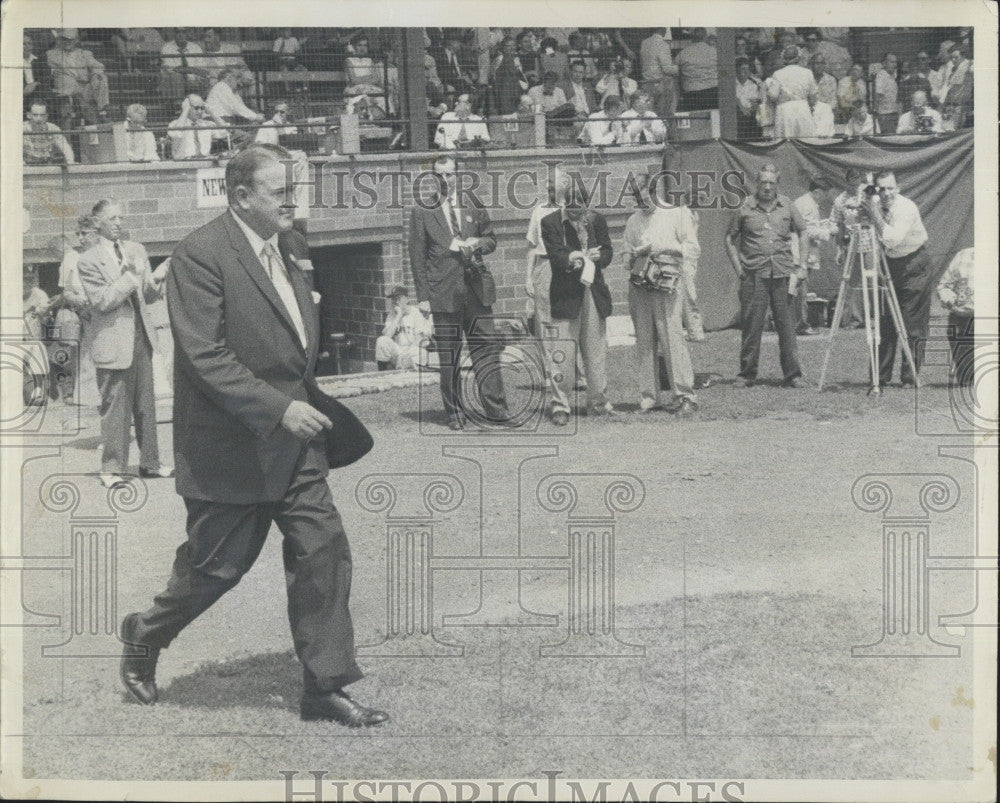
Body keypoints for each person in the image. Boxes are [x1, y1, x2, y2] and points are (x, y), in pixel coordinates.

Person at [117, 143, 386, 728]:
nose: (293, 200)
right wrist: (277, 408)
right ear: (241, 196)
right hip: (231, 447)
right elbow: (204, 355)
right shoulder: (200, 254)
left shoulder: (289, 246)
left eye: (295, 189)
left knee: (323, 552)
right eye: (279, 191)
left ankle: (325, 686)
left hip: (297, 447)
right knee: (216, 570)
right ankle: (144, 634)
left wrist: (296, 408)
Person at [407, 155, 514, 430]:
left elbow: (492, 239)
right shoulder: (423, 210)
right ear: (433, 177)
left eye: (450, 174)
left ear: (458, 175)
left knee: (487, 350)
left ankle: (497, 410)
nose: (446, 180)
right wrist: (423, 298)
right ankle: (454, 412)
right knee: (450, 356)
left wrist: (478, 243)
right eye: (440, 175)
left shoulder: (473, 204)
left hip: (476, 290)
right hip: (443, 294)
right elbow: (417, 257)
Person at [76, 199, 172, 488]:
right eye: (113, 218)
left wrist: (156, 278)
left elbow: (147, 297)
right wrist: (131, 274)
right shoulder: (88, 260)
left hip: (141, 336)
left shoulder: (137, 250)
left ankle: (151, 463)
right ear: (99, 223)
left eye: (121, 218)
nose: (119, 223)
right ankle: (111, 469)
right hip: (113, 341)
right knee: (115, 406)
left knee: (146, 404)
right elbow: (103, 301)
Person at [622, 171, 700, 416]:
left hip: (668, 281)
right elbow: (625, 257)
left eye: (643, 195)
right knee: (644, 340)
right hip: (641, 283)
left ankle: (685, 395)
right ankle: (649, 397)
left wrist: (665, 247)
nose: (640, 202)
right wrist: (634, 253)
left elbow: (693, 249)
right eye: (635, 197)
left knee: (672, 338)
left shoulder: (676, 213)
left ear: (654, 191)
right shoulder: (633, 220)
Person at [725, 164, 809, 387]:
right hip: (754, 276)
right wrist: (739, 269)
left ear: (777, 184)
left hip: (782, 275)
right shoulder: (745, 208)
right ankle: (746, 374)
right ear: (757, 183)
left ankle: (793, 375)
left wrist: (802, 266)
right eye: (764, 182)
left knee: (787, 327)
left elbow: (803, 231)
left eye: (772, 183)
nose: (768, 187)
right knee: (752, 327)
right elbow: (729, 239)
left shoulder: (788, 206)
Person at [539, 186, 615, 424]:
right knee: (562, 353)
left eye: (578, 207)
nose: (573, 212)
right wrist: (573, 257)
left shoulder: (596, 220)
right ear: (563, 202)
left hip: (593, 292)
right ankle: (560, 406)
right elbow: (555, 255)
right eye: (569, 206)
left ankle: (598, 403)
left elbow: (608, 251)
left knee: (595, 352)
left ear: (586, 204)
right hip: (565, 295)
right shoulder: (549, 222)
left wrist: (598, 257)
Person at [866, 170, 932, 388]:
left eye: (890, 188)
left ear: (898, 188)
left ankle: (909, 376)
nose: (886, 193)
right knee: (885, 322)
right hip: (888, 263)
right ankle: (880, 376)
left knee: (912, 323)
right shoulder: (875, 203)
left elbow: (892, 239)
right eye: (881, 189)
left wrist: (873, 215)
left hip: (913, 262)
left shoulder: (906, 207)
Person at [57, 215, 102, 407]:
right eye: (78, 234)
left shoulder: (104, 254)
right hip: (82, 312)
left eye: (85, 233)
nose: (81, 238)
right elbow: (66, 292)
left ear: (97, 234)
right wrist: (80, 302)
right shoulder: (72, 258)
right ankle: (87, 397)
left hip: (102, 309)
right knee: (84, 356)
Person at [790, 177, 833, 335]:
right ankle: (800, 325)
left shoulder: (805, 202)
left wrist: (822, 226)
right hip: (800, 253)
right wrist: (828, 232)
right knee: (800, 290)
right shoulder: (807, 204)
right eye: (823, 194)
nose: (825, 197)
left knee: (797, 289)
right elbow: (806, 231)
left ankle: (797, 323)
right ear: (816, 192)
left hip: (802, 252)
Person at [46, 28, 109, 126]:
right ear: (60, 40)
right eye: (65, 39)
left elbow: (99, 66)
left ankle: (102, 112)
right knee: (68, 85)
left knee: (101, 77)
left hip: (84, 89)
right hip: (66, 88)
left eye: (71, 39)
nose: (68, 42)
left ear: (76, 40)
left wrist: (95, 75)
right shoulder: (51, 54)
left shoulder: (84, 54)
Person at [936, 248, 974, 388]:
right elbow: (944, 285)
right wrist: (949, 300)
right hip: (962, 313)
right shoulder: (963, 256)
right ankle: (967, 374)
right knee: (967, 379)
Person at [375, 286, 434, 371]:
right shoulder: (392, 314)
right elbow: (387, 336)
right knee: (381, 341)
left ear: (407, 299)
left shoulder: (415, 313)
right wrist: (398, 316)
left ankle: (403, 366)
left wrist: (407, 354)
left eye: (398, 298)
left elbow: (419, 339)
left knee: (422, 354)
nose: (395, 301)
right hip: (397, 351)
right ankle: (382, 374)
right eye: (393, 299)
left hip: (411, 350)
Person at [766, 46, 817, 137]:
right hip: (803, 109)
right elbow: (813, 97)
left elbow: (773, 96)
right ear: (799, 57)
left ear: (783, 59)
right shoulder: (808, 72)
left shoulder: (777, 74)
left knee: (786, 142)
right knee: (805, 140)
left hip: (785, 110)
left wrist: (768, 88)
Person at [159, 28, 209, 103]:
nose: (181, 35)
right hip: (173, 82)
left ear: (188, 33)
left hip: (193, 80)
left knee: (204, 77)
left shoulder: (195, 48)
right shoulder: (167, 48)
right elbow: (172, 69)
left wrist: (193, 73)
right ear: (174, 34)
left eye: (184, 32)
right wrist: (193, 70)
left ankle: (199, 105)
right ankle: (178, 106)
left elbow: (202, 68)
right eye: (178, 32)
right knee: (176, 76)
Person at [639, 28, 678, 121]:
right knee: (663, 116)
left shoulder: (644, 43)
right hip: (660, 84)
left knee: (650, 116)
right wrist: (679, 68)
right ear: (663, 30)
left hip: (647, 84)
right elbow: (667, 69)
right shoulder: (663, 45)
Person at [675, 28, 718, 111]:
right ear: (705, 37)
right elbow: (724, 71)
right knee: (714, 119)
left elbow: (676, 73)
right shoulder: (715, 52)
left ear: (691, 38)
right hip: (713, 92)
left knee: (695, 120)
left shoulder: (682, 54)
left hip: (692, 94)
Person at [167, 95, 218, 160]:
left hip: (204, 162)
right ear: (187, 106)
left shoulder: (206, 124)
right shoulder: (174, 124)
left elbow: (227, 132)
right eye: (196, 108)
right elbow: (177, 134)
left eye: (202, 108)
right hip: (184, 164)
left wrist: (212, 112)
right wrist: (185, 110)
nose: (199, 111)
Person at [492, 37, 530, 115]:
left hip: (516, 89)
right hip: (505, 91)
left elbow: (519, 75)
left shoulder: (516, 59)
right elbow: (496, 76)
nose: (512, 48)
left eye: (513, 45)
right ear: (504, 48)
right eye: (509, 46)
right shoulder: (500, 59)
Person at [735, 58, 764, 139]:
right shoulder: (732, 82)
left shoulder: (756, 82)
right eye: (743, 69)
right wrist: (742, 108)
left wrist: (756, 105)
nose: (746, 71)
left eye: (748, 69)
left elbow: (762, 99)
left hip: (753, 115)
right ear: (737, 70)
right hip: (738, 116)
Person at [872, 53, 899, 134]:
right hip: (885, 115)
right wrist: (876, 114)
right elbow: (878, 94)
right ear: (884, 63)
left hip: (893, 112)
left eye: (895, 62)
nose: (894, 65)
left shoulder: (893, 75)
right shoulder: (881, 75)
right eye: (892, 62)